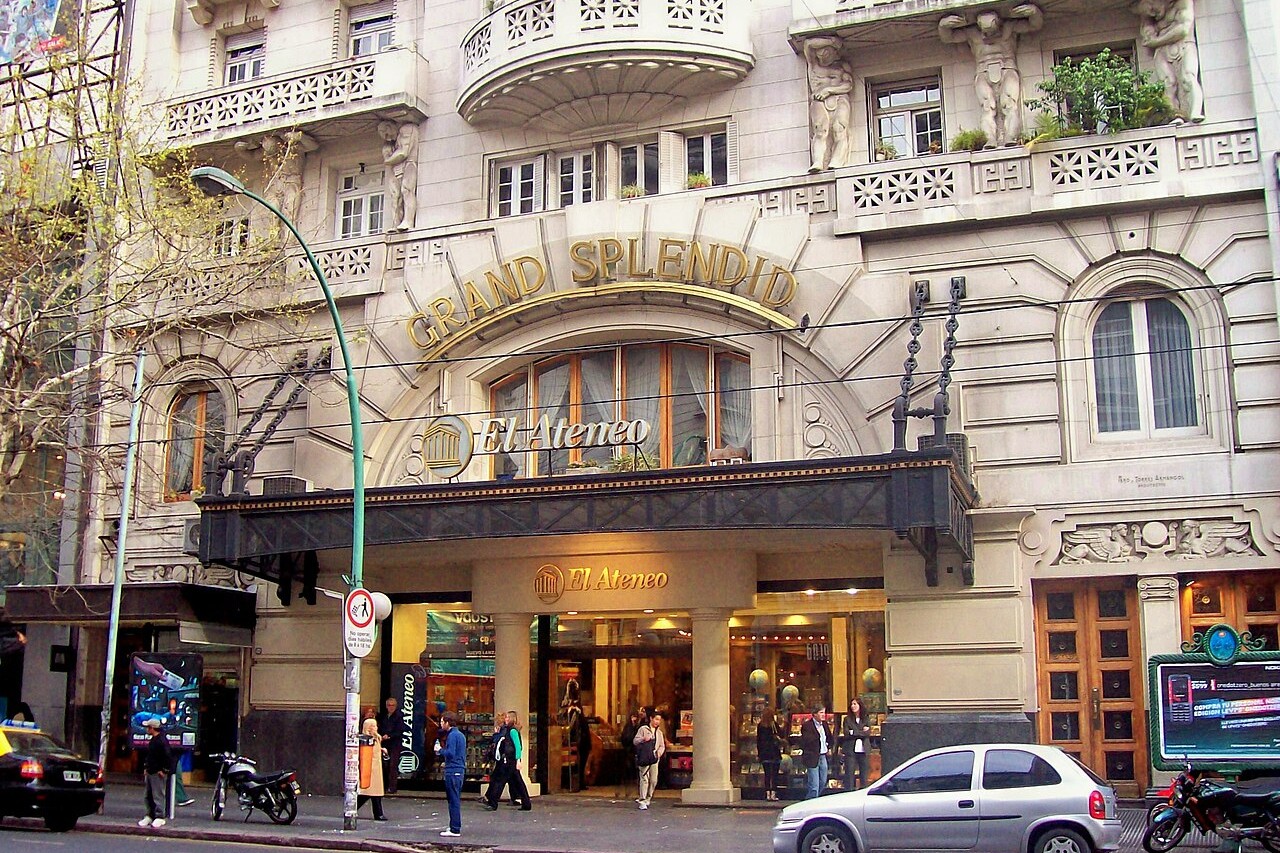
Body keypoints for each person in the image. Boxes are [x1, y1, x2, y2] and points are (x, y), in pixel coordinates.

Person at [938, 4, 1043, 147]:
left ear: (998, 24)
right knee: (987, 107)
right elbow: (948, 38)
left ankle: (1010, 137)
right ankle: (990, 139)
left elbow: (1034, 25)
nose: (988, 36)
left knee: (1009, 104)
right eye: (985, 32)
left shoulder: (1009, 28)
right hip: (983, 71)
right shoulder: (972, 34)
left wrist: (1034, 12)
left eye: (992, 31)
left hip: (1007, 68)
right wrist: (943, 25)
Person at [1132, 0, 1203, 122]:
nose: (1152, 14)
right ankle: (1175, 115)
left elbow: (1183, 30)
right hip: (1162, 51)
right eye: (1149, 13)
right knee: (1168, 84)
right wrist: (1148, 29)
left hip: (1184, 45)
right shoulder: (1149, 14)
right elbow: (1147, 34)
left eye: (1152, 8)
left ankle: (1195, 111)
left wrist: (1157, 41)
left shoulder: (1182, 3)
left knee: (1188, 77)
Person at [803, 36, 854, 172]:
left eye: (827, 52)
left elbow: (848, 85)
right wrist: (831, 41)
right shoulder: (814, 65)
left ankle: (837, 161)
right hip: (819, 101)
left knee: (839, 129)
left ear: (834, 53)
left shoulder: (842, 66)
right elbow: (808, 43)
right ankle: (818, 162)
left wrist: (828, 90)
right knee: (820, 130)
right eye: (821, 52)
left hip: (840, 98)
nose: (823, 55)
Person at [485, 710, 532, 811]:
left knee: (500, 781)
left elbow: (518, 746)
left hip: (509, 761)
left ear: (511, 719)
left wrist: (518, 760)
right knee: (519, 783)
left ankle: (493, 803)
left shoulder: (512, 731)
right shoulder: (509, 730)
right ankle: (526, 803)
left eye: (507, 718)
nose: (505, 719)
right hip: (510, 760)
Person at [378, 120, 419, 231]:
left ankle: (408, 221)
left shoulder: (406, 129)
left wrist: (387, 159)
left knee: (407, 190)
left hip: (409, 163)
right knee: (396, 196)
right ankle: (396, 223)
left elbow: (403, 152)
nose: (388, 139)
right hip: (398, 168)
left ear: (389, 126)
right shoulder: (394, 141)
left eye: (386, 134)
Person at [138, 717, 172, 828]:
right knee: (148, 795)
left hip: (157, 772)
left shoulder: (162, 741)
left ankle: (159, 816)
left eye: (148, 727)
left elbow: (167, 757)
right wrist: (146, 768)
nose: (147, 729)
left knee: (158, 795)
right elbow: (150, 756)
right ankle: (149, 815)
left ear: (152, 728)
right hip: (150, 771)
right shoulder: (153, 740)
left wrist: (164, 770)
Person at [437, 712, 466, 837]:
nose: (441, 724)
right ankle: (454, 825)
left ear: (448, 722)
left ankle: (455, 828)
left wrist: (440, 750)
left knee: (453, 799)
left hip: (453, 770)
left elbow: (450, 753)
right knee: (455, 798)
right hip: (459, 769)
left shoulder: (452, 736)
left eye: (442, 722)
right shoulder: (460, 735)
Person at [633, 710, 666, 810]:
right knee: (644, 778)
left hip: (654, 758)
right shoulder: (643, 729)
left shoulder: (659, 732)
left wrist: (659, 753)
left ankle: (649, 797)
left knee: (653, 779)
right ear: (651, 718)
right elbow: (635, 741)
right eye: (656, 719)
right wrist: (643, 739)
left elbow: (662, 745)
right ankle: (642, 799)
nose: (657, 722)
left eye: (659, 720)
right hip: (644, 756)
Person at [799, 703, 832, 799]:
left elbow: (829, 737)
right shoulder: (807, 726)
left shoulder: (825, 724)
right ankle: (811, 801)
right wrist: (818, 733)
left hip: (823, 755)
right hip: (812, 757)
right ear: (815, 714)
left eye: (824, 713)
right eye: (821, 713)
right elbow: (808, 740)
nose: (823, 715)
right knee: (814, 784)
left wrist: (829, 746)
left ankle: (813, 798)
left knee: (823, 780)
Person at [839, 698, 871, 791]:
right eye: (852, 704)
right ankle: (849, 792)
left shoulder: (866, 718)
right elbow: (846, 733)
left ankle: (863, 791)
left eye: (855, 704)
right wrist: (861, 731)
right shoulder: (847, 719)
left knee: (864, 774)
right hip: (850, 750)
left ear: (860, 705)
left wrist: (854, 732)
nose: (853, 706)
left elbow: (868, 733)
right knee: (849, 773)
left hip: (863, 749)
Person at [377, 696, 404, 794]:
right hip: (385, 744)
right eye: (389, 705)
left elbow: (400, 730)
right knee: (384, 765)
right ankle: (383, 785)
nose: (391, 707)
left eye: (393, 705)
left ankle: (392, 787)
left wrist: (389, 736)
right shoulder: (384, 716)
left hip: (394, 744)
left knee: (393, 766)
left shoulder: (399, 716)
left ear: (396, 706)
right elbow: (380, 727)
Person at [757, 710, 784, 801]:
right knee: (774, 774)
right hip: (774, 752)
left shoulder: (760, 726)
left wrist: (759, 753)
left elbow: (759, 741)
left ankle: (767, 793)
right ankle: (774, 793)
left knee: (767, 774)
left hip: (765, 753)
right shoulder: (774, 725)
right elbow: (781, 735)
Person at [619, 710, 641, 798]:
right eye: (633, 717)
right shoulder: (628, 727)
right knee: (628, 771)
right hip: (629, 752)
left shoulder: (636, 726)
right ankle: (627, 789)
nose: (635, 719)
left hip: (633, 751)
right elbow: (626, 738)